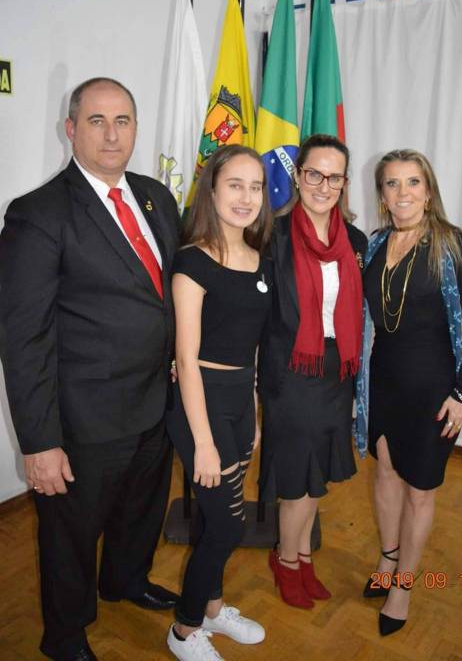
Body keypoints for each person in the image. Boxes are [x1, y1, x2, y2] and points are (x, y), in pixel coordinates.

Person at [0, 77, 181, 661]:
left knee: (141, 511)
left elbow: (168, 293)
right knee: (70, 535)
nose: (111, 134)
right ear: (71, 128)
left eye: (122, 120)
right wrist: (40, 442)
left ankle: (125, 580)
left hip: (155, 403)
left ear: (135, 128)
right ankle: (65, 634)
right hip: (84, 419)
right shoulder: (38, 214)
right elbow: (23, 337)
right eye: (97, 121)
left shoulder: (156, 197)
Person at [356, 149, 462, 636]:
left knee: (420, 490)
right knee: (386, 472)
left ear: (428, 191)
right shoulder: (374, 244)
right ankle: (388, 558)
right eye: (392, 183)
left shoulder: (452, 244)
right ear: (382, 194)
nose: (403, 192)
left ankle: (404, 587)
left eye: (413, 182)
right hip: (383, 382)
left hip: (435, 392)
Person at [166, 145, 272, 661]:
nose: (246, 197)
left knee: (216, 518)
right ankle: (184, 630)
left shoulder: (260, 259)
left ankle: (211, 607)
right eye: (235, 184)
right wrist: (203, 443)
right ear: (211, 189)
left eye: (255, 187)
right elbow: (186, 360)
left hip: (239, 401)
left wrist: (252, 410)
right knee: (230, 524)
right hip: (200, 403)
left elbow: (249, 347)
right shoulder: (193, 261)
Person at [258, 133, 367, 609]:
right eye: (314, 174)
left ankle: (303, 557)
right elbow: (256, 313)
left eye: (334, 177)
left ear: (344, 183)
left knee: (318, 469)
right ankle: (285, 562)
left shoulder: (355, 241)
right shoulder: (272, 236)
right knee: (297, 475)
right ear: (298, 176)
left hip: (336, 370)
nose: (324, 186)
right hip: (290, 370)